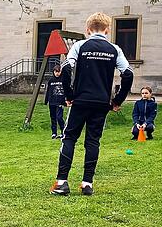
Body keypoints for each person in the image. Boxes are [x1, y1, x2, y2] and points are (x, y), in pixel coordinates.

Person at [51, 12, 134, 196]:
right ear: (107, 30)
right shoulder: (115, 49)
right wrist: (117, 100)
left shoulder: (80, 45)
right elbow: (128, 74)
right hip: (101, 102)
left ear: (88, 30)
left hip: (80, 100)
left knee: (70, 137)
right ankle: (87, 184)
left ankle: (62, 182)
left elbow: (66, 68)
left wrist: (69, 94)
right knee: (93, 141)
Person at [44, 65, 66, 139]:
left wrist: (66, 100)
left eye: (58, 72)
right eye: (55, 71)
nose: (57, 73)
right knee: (53, 118)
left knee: (59, 117)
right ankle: (54, 133)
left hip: (60, 102)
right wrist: (46, 100)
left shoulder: (63, 80)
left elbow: (67, 90)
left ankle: (63, 132)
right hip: (52, 102)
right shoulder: (51, 80)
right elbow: (48, 91)